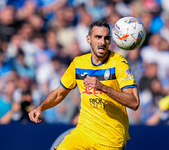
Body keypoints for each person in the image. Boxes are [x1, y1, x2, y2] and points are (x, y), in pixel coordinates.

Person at [29, 20, 140, 150]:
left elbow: (134, 102)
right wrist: (41, 107)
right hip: (84, 133)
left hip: (110, 138)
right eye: (98, 37)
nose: (102, 42)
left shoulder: (119, 63)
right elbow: (59, 93)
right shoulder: (78, 63)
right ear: (88, 39)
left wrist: (103, 87)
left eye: (106, 38)